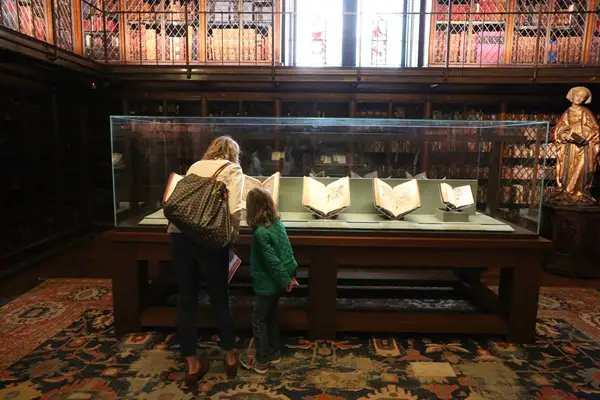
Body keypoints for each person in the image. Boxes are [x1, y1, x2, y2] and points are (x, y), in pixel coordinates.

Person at [168, 136, 243, 389]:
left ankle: (191, 362)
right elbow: (235, 210)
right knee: (219, 296)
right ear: (233, 153)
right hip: (210, 239)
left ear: (211, 150)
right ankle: (230, 356)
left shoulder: (194, 167)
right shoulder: (232, 170)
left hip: (180, 235)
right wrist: (232, 238)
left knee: (187, 298)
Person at [240, 187, 298, 374]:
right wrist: (290, 276)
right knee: (271, 318)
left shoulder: (260, 233)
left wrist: (285, 281)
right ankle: (274, 352)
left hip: (266, 284)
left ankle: (261, 360)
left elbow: (271, 262)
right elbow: (287, 252)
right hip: (278, 282)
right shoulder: (277, 224)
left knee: (259, 320)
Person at [551, 86, 600, 204]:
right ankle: (566, 192)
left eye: (582, 97)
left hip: (584, 147)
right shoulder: (567, 113)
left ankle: (579, 192)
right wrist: (565, 135)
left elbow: (596, 129)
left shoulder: (585, 112)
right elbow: (559, 128)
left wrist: (587, 137)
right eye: (577, 96)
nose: (579, 99)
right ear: (572, 96)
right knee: (568, 168)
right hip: (570, 147)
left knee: (582, 168)